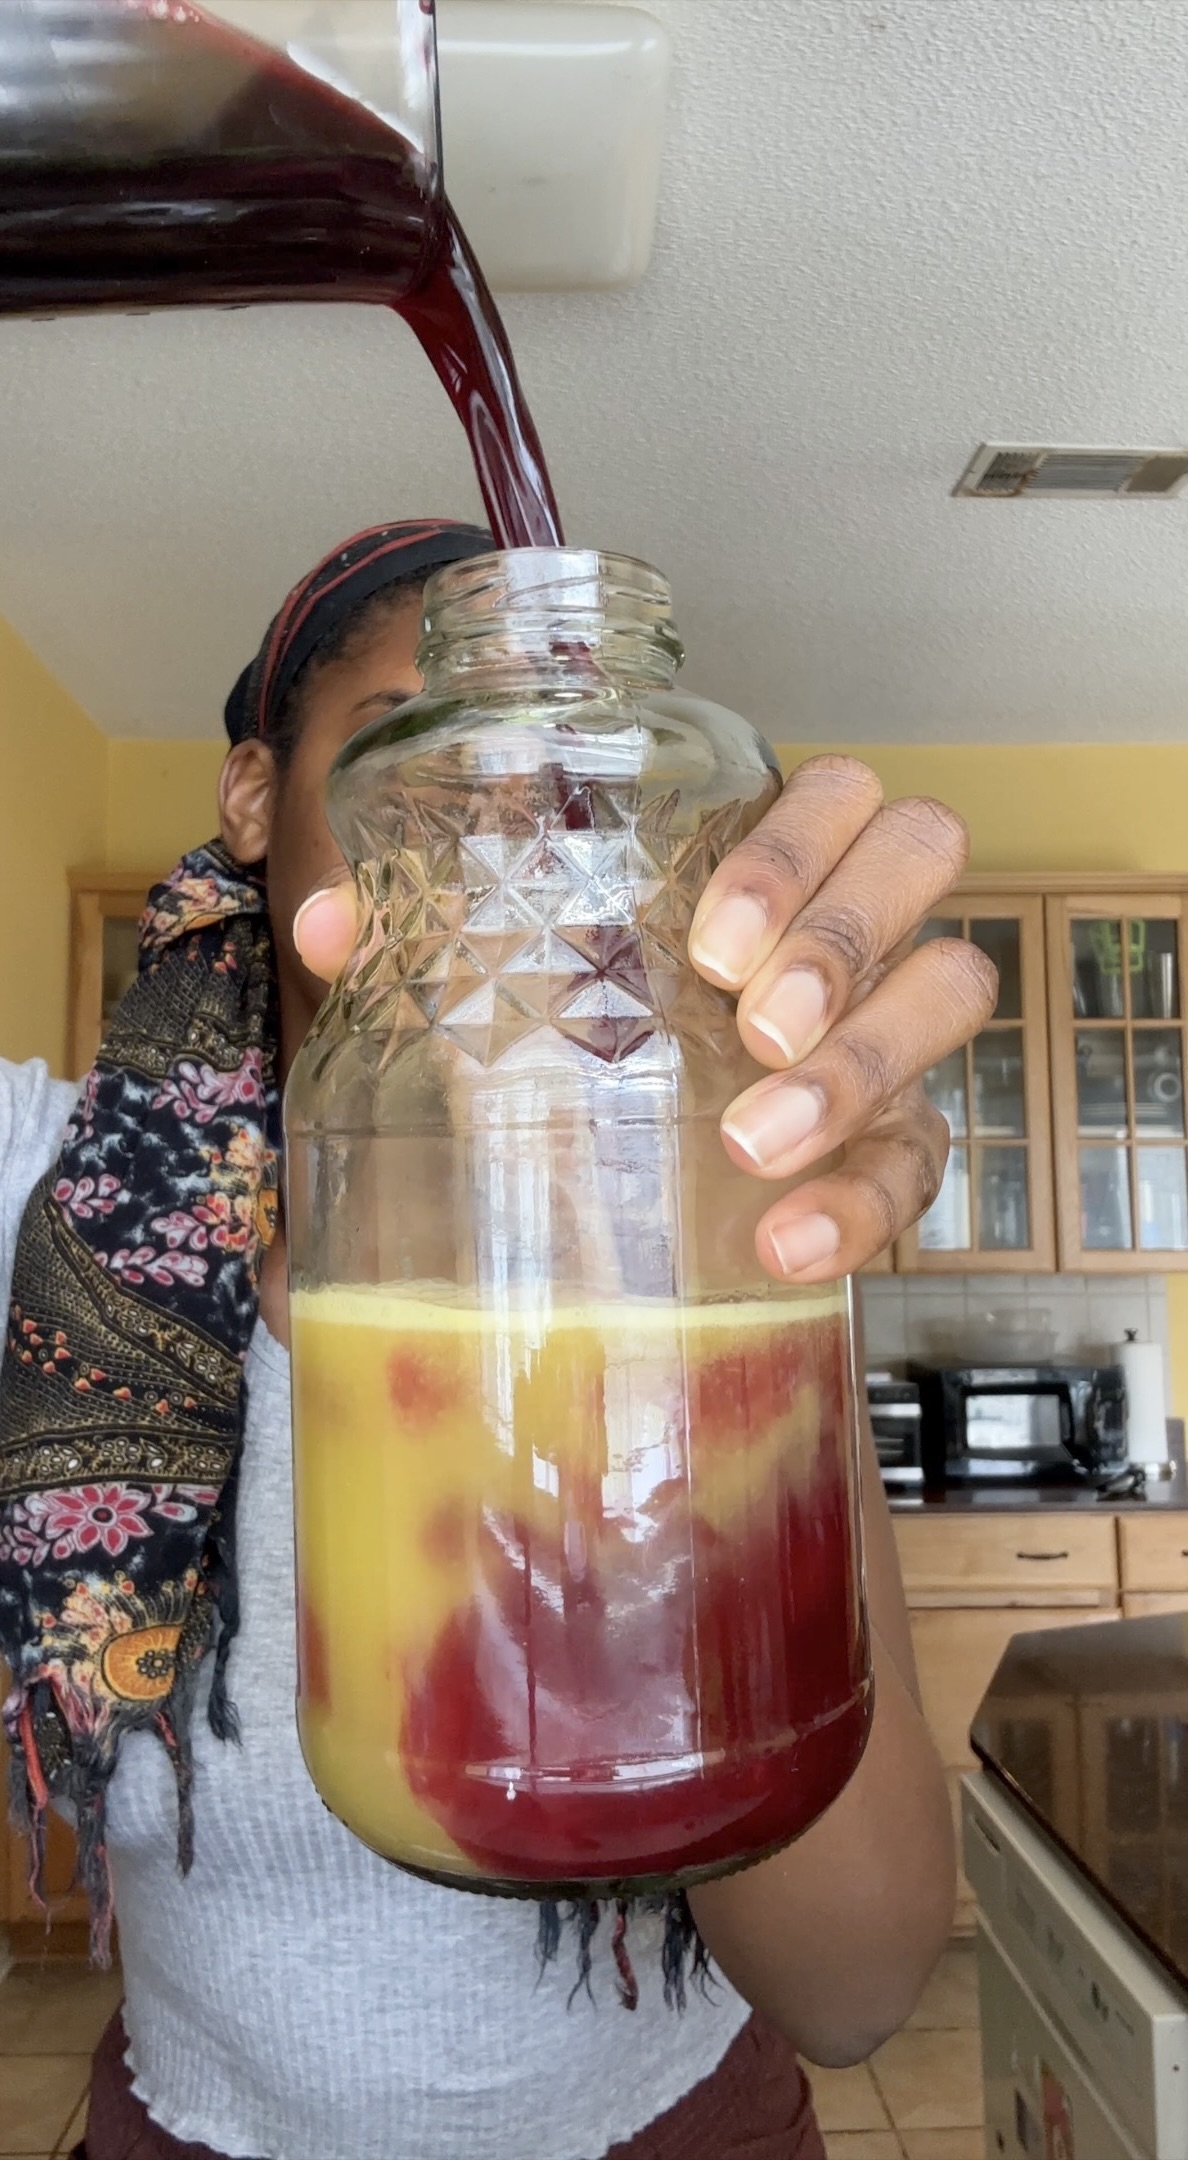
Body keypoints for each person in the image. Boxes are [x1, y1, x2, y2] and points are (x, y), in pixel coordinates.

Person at [0, 521, 996, 2160]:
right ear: (256, 797)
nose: (508, 836)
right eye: (427, 749)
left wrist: (750, 1230)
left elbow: (855, 1989)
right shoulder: (60, 1204)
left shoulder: (706, 1200)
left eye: (563, 784)